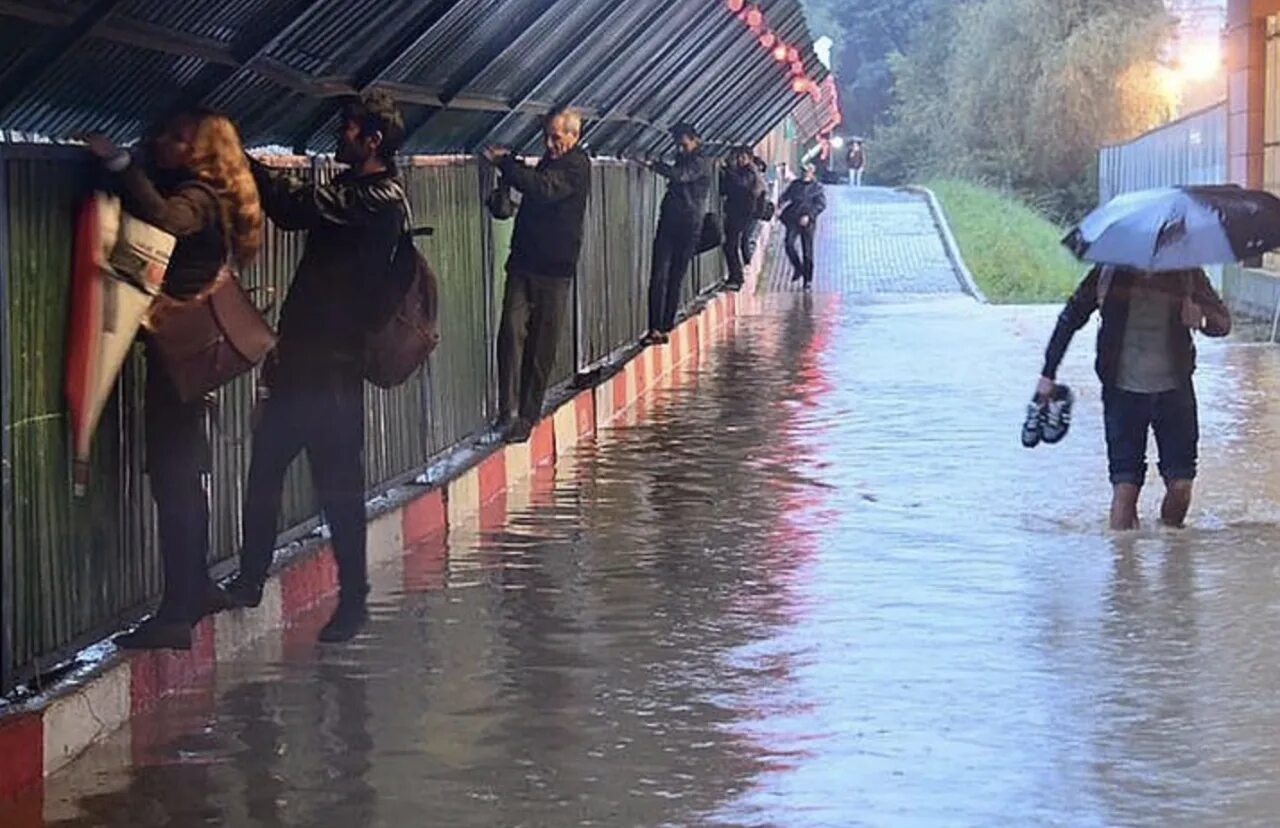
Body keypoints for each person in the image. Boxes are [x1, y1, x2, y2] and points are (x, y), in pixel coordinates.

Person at [220, 92, 408, 643]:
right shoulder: (362, 191)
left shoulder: (377, 197)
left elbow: (293, 207)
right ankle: (253, 579)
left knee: (337, 488)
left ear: (372, 140)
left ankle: (353, 601)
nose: (339, 133)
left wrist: (240, 160)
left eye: (348, 128)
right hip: (305, 358)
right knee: (268, 471)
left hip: (333, 368)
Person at [84, 109, 263, 650]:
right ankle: (196, 589)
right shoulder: (214, 191)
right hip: (193, 353)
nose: (162, 141)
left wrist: (116, 161)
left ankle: (177, 612)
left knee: (173, 476)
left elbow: (168, 219)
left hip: (179, 354)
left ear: (202, 153)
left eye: (176, 137)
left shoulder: (200, 198)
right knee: (183, 476)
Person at [1036, 265, 1231, 531]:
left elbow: (1223, 323)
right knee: (1125, 489)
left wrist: (1202, 321)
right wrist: (1048, 374)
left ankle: (1173, 556)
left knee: (1181, 486)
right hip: (1122, 393)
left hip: (1175, 394)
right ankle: (1124, 567)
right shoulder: (1108, 273)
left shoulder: (1186, 274)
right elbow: (1070, 318)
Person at [482, 109, 591, 444]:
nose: (550, 143)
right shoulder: (549, 162)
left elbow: (544, 190)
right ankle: (507, 410)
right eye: (547, 136)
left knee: (540, 347)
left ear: (574, 136)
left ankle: (526, 416)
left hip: (554, 271)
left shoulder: (576, 166)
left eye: (556, 137)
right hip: (524, 263)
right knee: (509, 334)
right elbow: (536, 186)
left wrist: (507, 166)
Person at [643, 121, 713, 345]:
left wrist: (654, 164)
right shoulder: (686, 157)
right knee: (660, 275)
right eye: (677, 145)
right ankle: (655, 327)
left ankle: (664, 325)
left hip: (689, 225)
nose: (680, 149)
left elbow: (680, 175)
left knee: (673, 277)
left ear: (695, 139)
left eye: (683, 145)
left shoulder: (701, 161)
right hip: (671, 221)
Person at [719, 145, 765, 291]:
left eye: (742, 157)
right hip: (736, 211)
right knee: (730, 244)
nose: (739, 160)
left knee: (731, 244)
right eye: (738, 157)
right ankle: (735, 276)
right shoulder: (743, 171)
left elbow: (741, 184)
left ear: (749, 158)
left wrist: (728, 169)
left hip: (742, 213)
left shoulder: (750, 172)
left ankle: (736, 277)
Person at [778, 163, 826, 289]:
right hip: (793, 218)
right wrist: (779, 203)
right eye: (803, 171)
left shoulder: (817, 187)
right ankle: (798, 268)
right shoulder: (795, 185)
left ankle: (808, 280)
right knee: (789, 243)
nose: (805, 173)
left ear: (812, 172)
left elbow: (821, 205)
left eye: (807, 171)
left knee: (807, 251)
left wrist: (809, 216)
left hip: (808, 222)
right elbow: (785, 196)